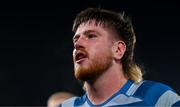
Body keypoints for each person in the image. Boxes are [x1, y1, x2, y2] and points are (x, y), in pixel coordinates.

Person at [60, 8, 180, 106]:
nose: (77, 44)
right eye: (76, 39)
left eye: (91, 36)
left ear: (118, 50)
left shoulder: (158, 98)